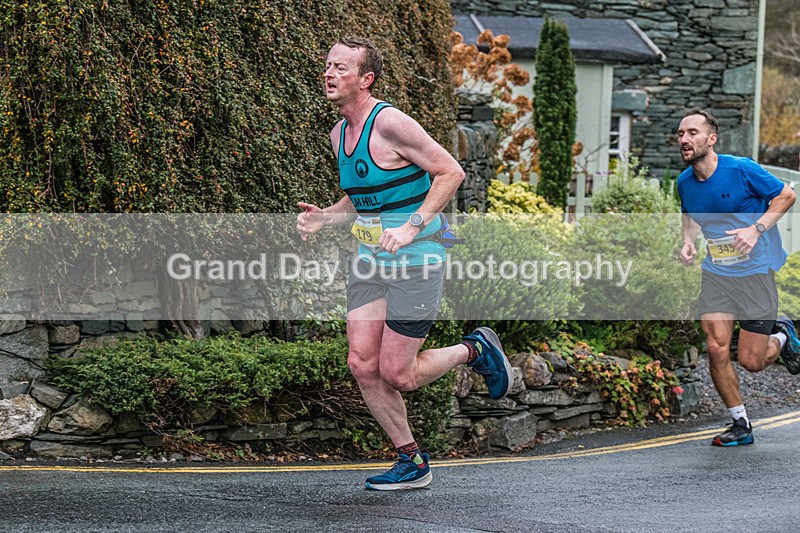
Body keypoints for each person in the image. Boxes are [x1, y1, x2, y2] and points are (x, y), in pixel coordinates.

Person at [296, 36, 512, 489]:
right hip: (371, 261)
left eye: (341, 67)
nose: (329, 73)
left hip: (417, 260)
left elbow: (451, 171)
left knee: (399, 374)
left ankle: (475, 348)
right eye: (328, 65)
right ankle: (411, 460)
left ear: (366, 79)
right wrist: (326, 218)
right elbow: (364, 199)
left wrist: (412, 225)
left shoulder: (390, 122)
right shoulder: (338, 134)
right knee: (361, 363)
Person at [677, 107, 800, 446]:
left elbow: (787, 195)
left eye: (692, 133)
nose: (685, 139)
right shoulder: (684, 182)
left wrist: (756, 229)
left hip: (755, 272)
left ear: (711, 139)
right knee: (716, 348)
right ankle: (740, 424)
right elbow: (688, 213)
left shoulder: (742, 169)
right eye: (681, 134)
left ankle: (783, 336)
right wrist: (688, 242)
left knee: (752, 362)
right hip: (715, 273)